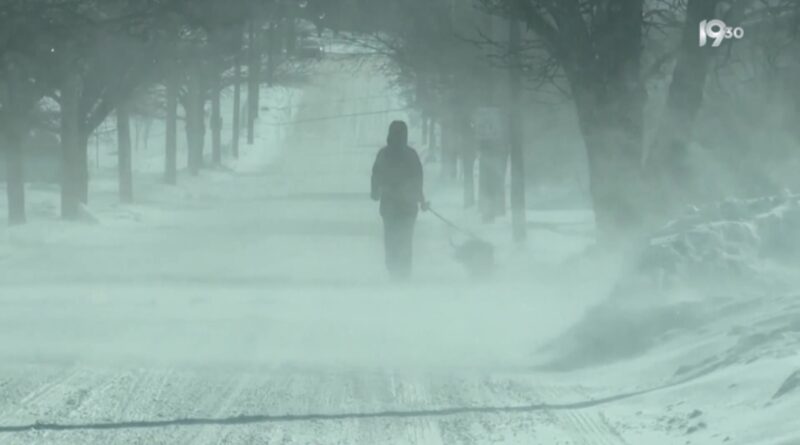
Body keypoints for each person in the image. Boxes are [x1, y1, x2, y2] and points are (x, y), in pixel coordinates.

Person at [371, 121, 428, 280]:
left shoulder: (383, 154)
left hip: (389, 206)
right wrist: (421, 199)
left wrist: (375, 192)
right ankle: (404, 270)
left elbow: (376, 175)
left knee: (390, 238)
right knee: (405, 238)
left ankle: (393, 267)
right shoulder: (411, 154)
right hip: (408, 207)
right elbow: (418, 179)